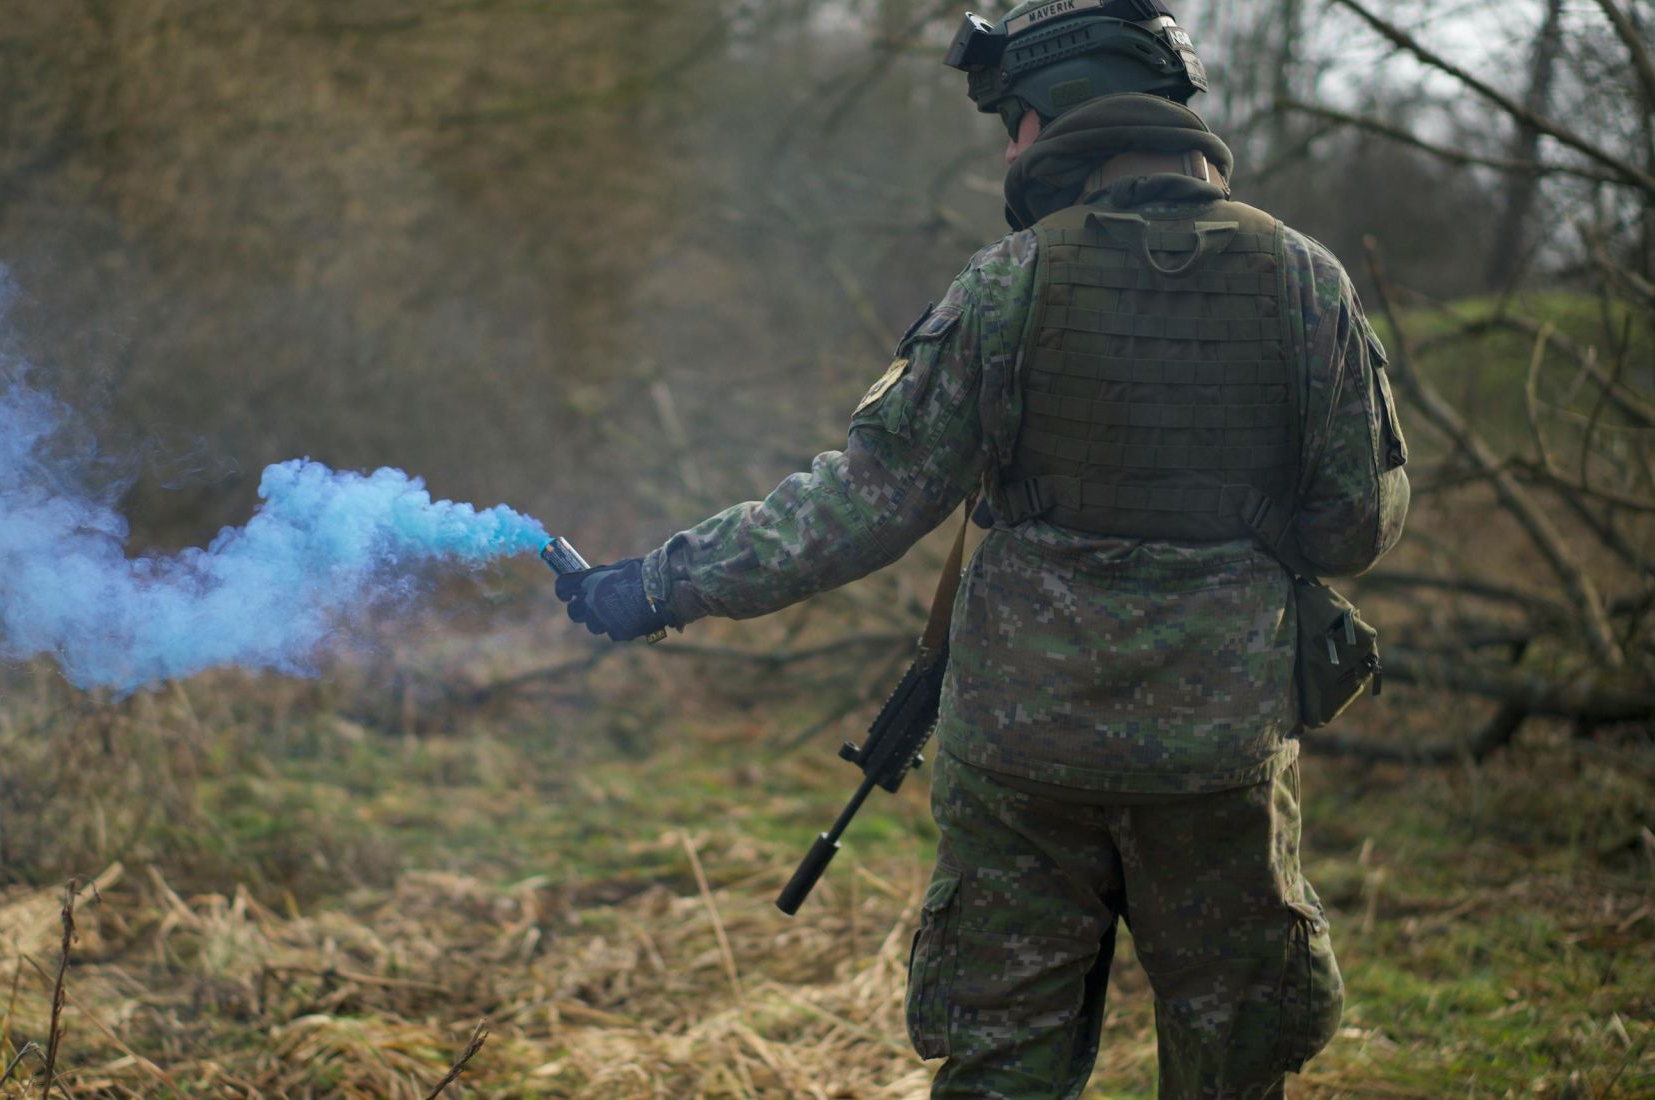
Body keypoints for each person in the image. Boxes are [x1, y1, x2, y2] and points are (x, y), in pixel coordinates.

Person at [554, 1, 1411, 1095]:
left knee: (1004, 1064)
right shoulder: (1308, 283)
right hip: (1217, 755)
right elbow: (1357, 526)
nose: (1012, 145)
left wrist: (655, 584)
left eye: (1016, 118)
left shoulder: (1009, 283)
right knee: (1235, 1055)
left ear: (1060, 116)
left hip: (1020, 760)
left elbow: (861, 504)